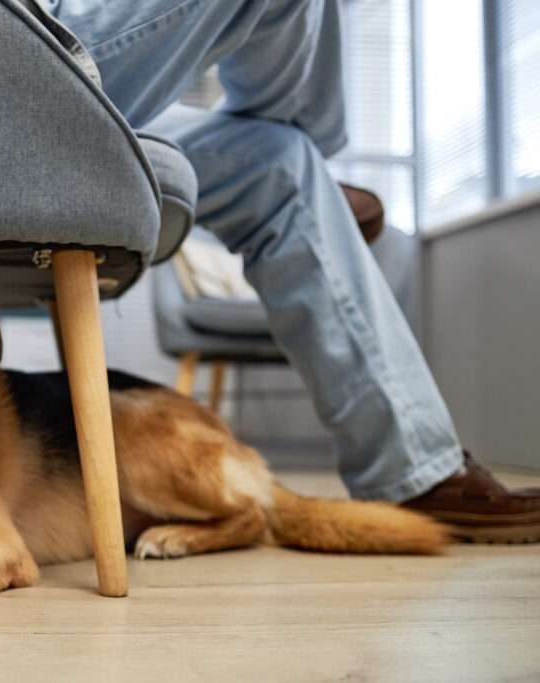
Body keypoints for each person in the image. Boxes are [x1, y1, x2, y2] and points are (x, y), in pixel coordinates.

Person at [41, 0, 540, 542]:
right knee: (288, 151)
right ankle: (316, 157)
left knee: (276, 159)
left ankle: (413, 472)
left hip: (37, 47)